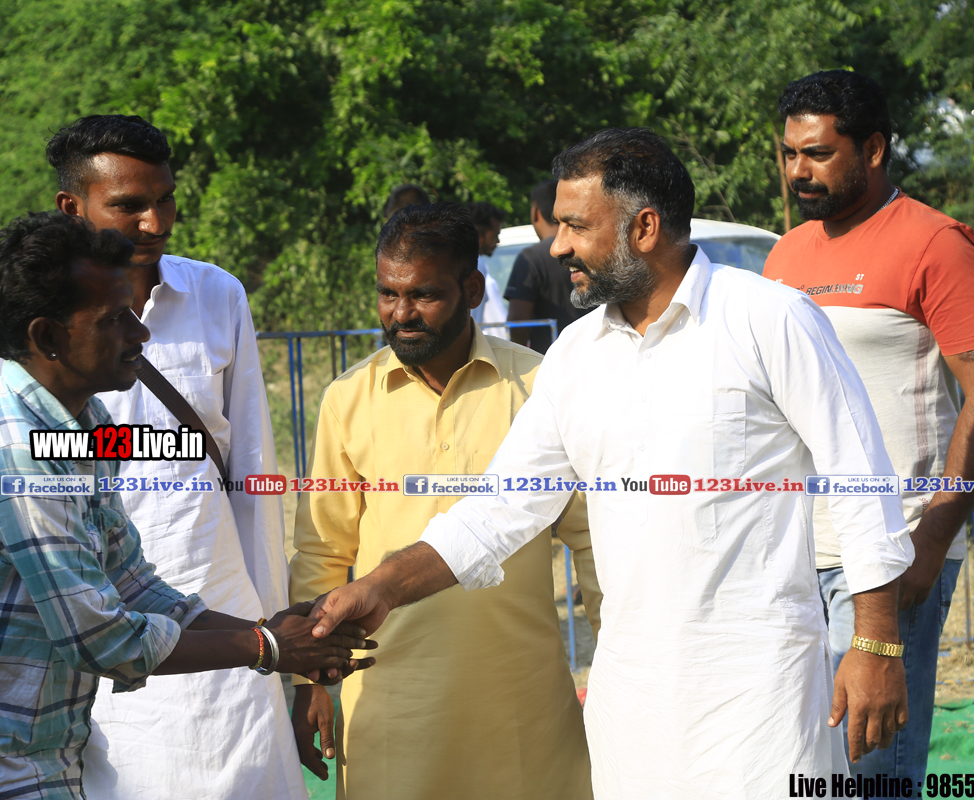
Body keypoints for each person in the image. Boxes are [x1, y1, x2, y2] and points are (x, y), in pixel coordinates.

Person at [308, 128, 917, 797]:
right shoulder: (577, 357)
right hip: (631, 707)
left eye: (575, 225)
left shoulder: (768, 318)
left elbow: (860, 477)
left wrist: (876, 643)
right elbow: (498, 510)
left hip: (756, 699)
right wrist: (383, 586)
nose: (556, 245)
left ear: (644, 228)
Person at [0, 212, 374, 800]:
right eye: (115, 319)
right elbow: (99, 638)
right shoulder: (18, 447)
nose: (140, 334)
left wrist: (273, 632)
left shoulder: (84, 422)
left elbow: (130, 581)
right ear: (47, 337)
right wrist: (268, 647)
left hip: (48, 753)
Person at [763, 70, 974, 785]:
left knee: (871, 769)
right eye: (790, 153)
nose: (798, 171)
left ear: (873, 148)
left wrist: (931, 540)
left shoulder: (936, 243)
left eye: (818, 153)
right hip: (796, 550)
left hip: (889, 548)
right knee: (807, 765)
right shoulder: (787, 254)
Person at [288, 203, 600, 799]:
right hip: (390, 705)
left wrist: (619, 664)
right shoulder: (348, 399)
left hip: (523, 706)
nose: (401, 314)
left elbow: (591, 541)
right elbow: (322, 550)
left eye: (423, 294)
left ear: (473, 290)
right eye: (387, 293)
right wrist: (311, 682)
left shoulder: (539, 387)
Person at [44, 114, 306, 799]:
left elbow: (253, 472)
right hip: (104, 636)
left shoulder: (217, 295)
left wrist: (273, 628)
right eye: (129, 205)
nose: (154, 223)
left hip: (226, 625)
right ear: (72, 208)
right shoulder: (32, 325)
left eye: (165, 200)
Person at [505, 180, 586, 353]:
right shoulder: (589, 249)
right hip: (594, 356)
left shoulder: (531, 258)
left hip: (545, 360)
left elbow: (518, 324)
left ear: (535, 211)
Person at [466, 200, 510, 338]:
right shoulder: (476, 264)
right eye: (495, 235)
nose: (497, 241)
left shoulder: (466, 261)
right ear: (480, 235)